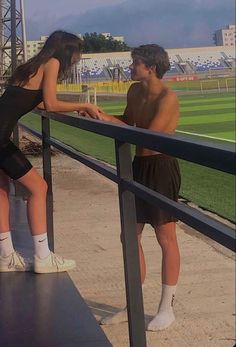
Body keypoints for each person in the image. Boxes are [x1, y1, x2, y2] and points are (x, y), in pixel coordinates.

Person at [85, 44, 181, 331]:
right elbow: (127, 122)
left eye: (134, 63)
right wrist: (100, 115)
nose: (130, 67)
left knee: (166, 238)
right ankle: (133, 305)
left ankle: (167, 308)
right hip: (137, 167)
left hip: (161, 168)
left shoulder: (168, 97)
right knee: (129, 236)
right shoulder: (133, 91)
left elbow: (149, 138)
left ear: (150, 67)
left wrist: (112, 123)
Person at [0, 30, 102, 274]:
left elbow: (41, 102)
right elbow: (53, 104)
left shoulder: (33, 66)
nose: (78, 56)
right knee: (39, 188)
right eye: (77, 50)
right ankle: (43, 256)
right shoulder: (53, 63)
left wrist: (73, 108)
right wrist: (84, 104)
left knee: (2, 190)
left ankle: (6, 257)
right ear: (67, 50)